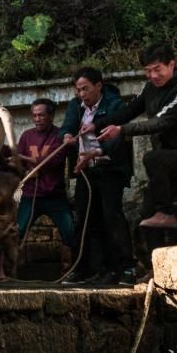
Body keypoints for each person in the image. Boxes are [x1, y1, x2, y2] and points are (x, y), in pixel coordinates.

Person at [91, 44, 177, 237]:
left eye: (157, 69)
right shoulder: (150, 88)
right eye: (148, 71)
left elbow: (161, 121)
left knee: (152, 158)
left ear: (171, 65)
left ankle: (166, 213)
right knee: (146, 216)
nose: (153, 76)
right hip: (166, 163)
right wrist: (96, 125)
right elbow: (129, 111)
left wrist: (122, 131)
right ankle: (157, 262)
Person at [58, 67, 134, 285]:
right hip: (86, 169)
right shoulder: (76, 106)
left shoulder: (114, 105)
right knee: (84, 219)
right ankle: (86, 268)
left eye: (86, 88)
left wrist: (99, 151)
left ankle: (124, 267)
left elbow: (117, 138)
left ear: (99, 86)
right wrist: (67, 135)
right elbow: (69, 124)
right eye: (78, 90)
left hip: (109, 167)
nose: (82, 94)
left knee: (112, 216)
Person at [14, 98, 74, 249]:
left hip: (55, 195)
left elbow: (51, 161)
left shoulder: (60, 136)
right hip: (30, 195)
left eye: (41, 115)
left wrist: (22, 157)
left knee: (71, 233)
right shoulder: (27, 136)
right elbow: (18, 164)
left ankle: (77, 268)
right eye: (34, 116)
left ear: (51, 116)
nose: (37, 119)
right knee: (16, 232)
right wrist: (21, 168)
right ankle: (0, 267)